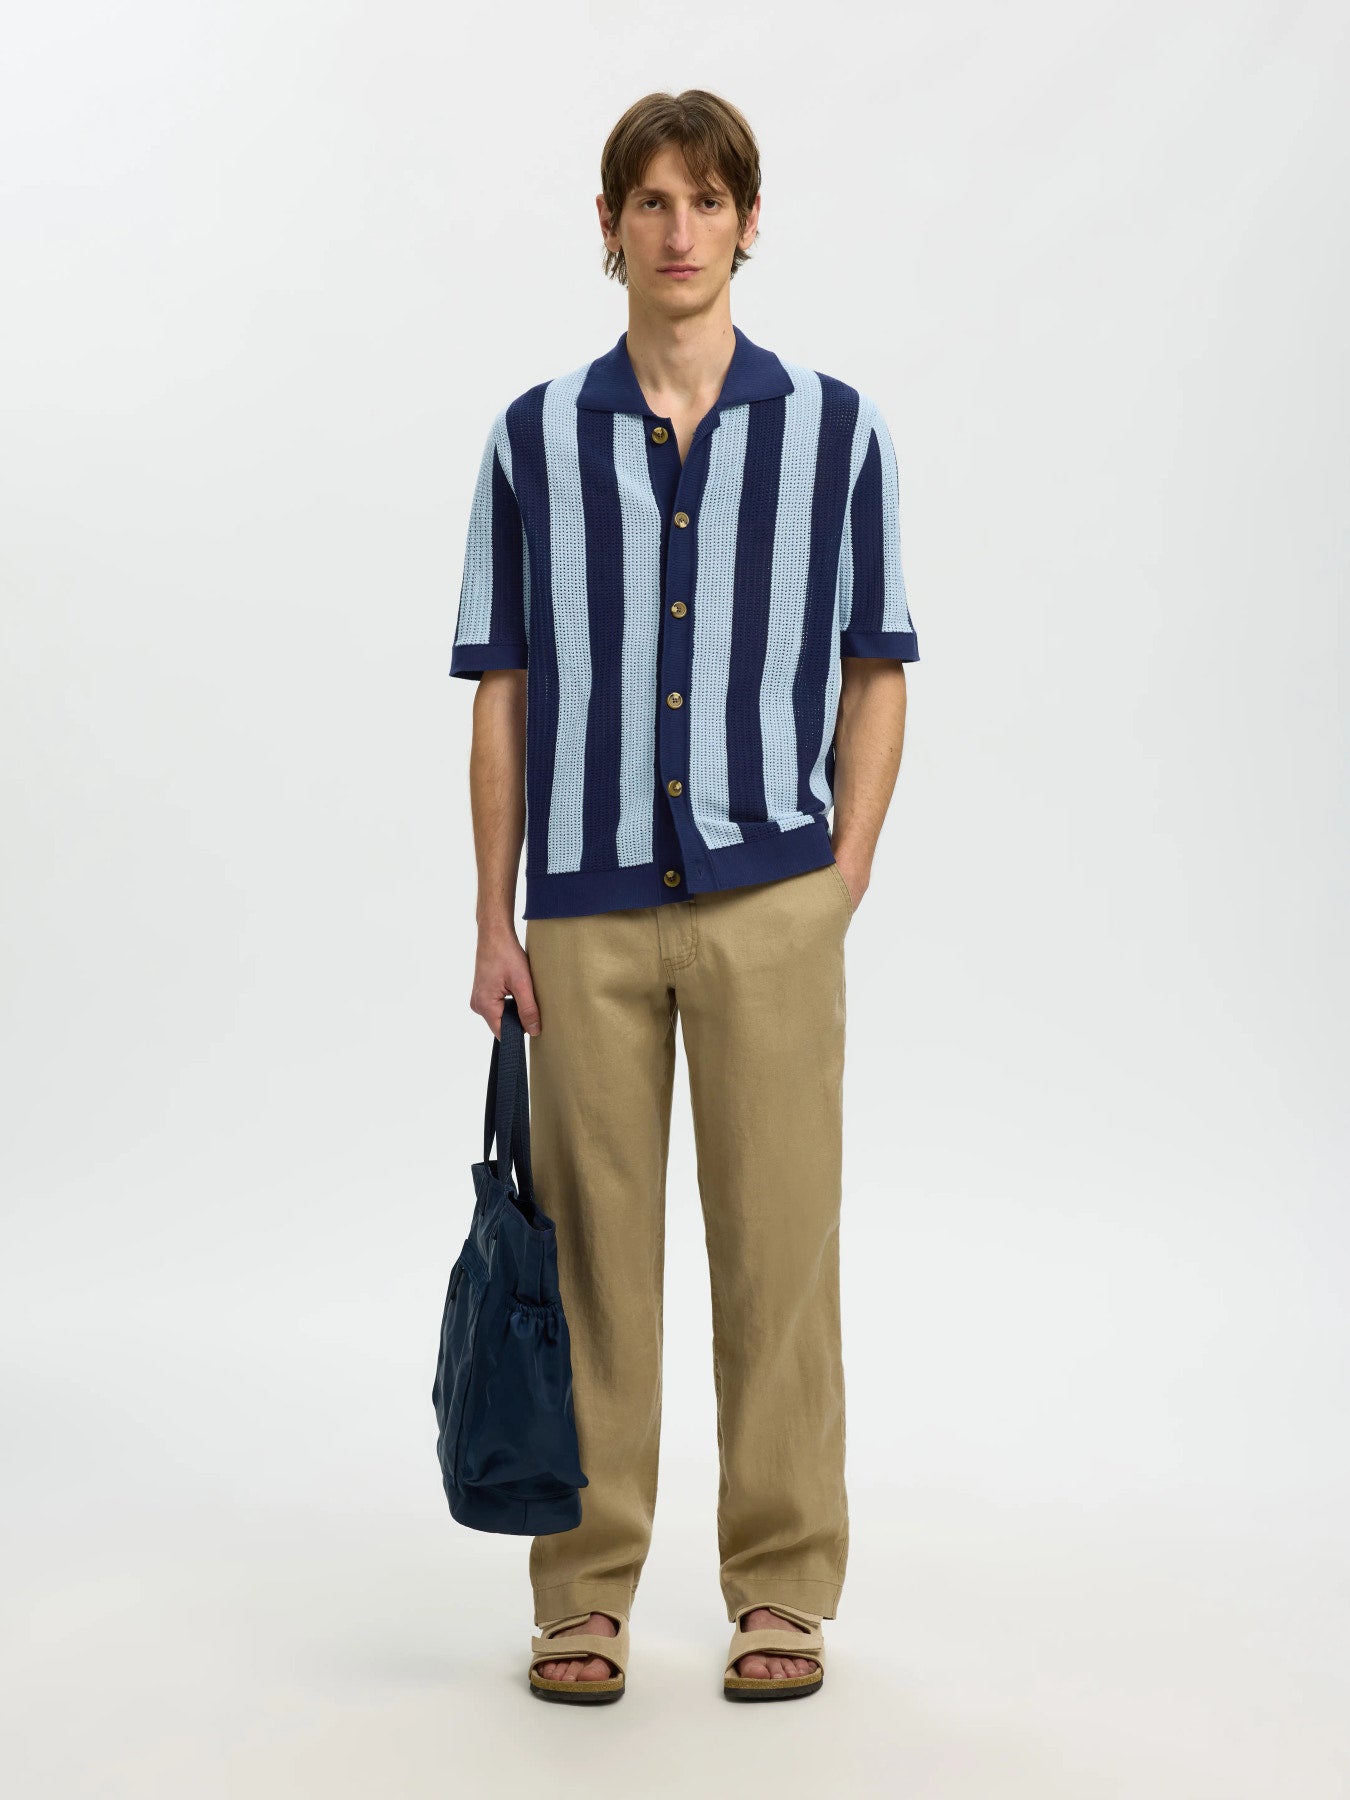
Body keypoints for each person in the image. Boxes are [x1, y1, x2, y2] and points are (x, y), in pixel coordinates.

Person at [448, 88, 918, 1704]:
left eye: (705, 201)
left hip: (771, 903)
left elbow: (877, 667)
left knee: (778, 1257)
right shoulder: (530, 437)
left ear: (747, 222)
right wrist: (494, 919)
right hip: (579, 917)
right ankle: (581, 1596)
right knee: (588, 1268)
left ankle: (779, 1590)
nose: (677, 229)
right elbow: (502, 689)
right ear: (608, 227)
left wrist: (840, 876)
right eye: (648, 201)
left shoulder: (837, 431)